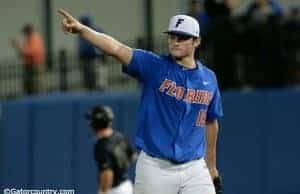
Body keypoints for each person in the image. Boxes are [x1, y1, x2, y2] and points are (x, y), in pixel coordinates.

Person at [59, 9, 223, 194]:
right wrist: (83, 30)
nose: (175, 42)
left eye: (182, 37)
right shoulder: (154, 66)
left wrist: (211, 167)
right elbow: (117, 49)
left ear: (197, 41)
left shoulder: (209, 79)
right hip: (156, 167)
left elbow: (211, 122)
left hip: (194, 168)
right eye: (172, 37)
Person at [85, 105, 134, 194]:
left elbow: (107, 173)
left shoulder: (102, 146)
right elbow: (132, 156)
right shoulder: (119, 136)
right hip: (127, 185)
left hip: (114, 190)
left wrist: (103, 192)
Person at [11, 24, 45, 95]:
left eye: (25, 32)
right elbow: (23, 53)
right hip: (29, 65)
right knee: (28, 85)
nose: (25, 35)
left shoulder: (35, 39)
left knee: (36, 85)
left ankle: (37, 97)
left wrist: (18, 46)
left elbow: (30, 52)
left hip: (35, 66)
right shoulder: (29, 39)